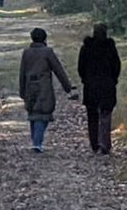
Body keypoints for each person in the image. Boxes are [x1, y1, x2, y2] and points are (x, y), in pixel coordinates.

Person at [18, 27, 77, 152]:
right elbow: (58, 70)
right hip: (43, 87)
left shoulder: (26, 52)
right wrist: (67, 87)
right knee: (42, 114)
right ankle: (37, 142)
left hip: (30, 85)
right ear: (44, 38)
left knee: (33, 112)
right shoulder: (48, 52)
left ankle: (35, 140)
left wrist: (22, 90)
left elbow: (22, 72)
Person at [78, 23, 121, 155]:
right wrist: (113, 79)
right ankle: (105, 144)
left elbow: (81, 67)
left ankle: (94, 144)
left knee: (92, 116)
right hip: (107, 85)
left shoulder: (86, 48)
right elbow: (117, 66)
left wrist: (85, 79)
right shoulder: (110, 48)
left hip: (91, 86)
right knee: (105, 115)